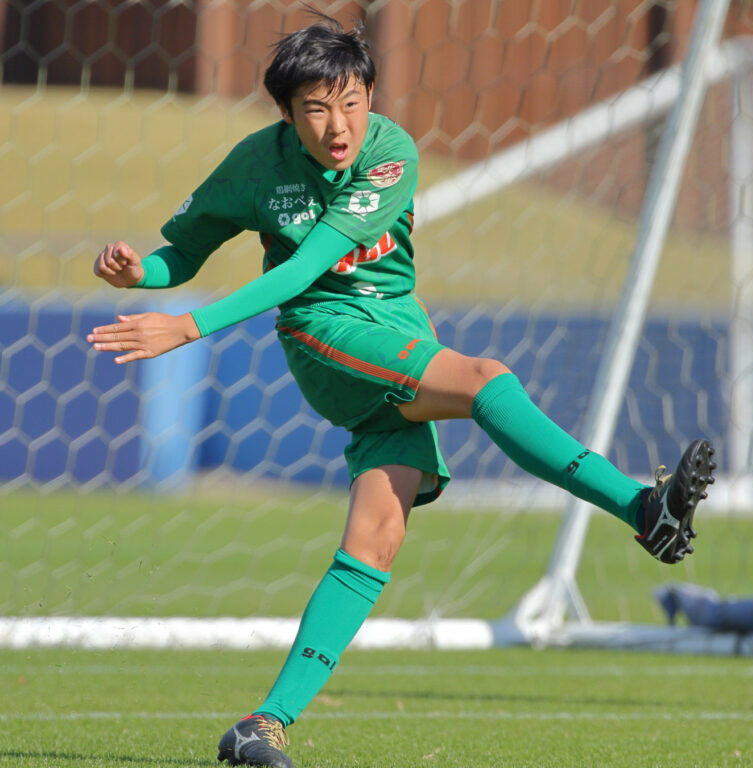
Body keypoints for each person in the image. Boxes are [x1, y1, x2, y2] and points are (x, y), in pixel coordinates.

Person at [88, 12, 716, 767]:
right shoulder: (255, 164)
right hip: (324, 333)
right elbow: (189, 255)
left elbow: (306, 256)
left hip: (395, 331)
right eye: (316, 109)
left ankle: (262, 724)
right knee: (486, 380)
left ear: (370, 97)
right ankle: (643, 509)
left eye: (351, 103)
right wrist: (141, 273)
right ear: (285, 113)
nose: (338, 126)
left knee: (375, 539)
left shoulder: (391, 154)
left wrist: (188, 326)